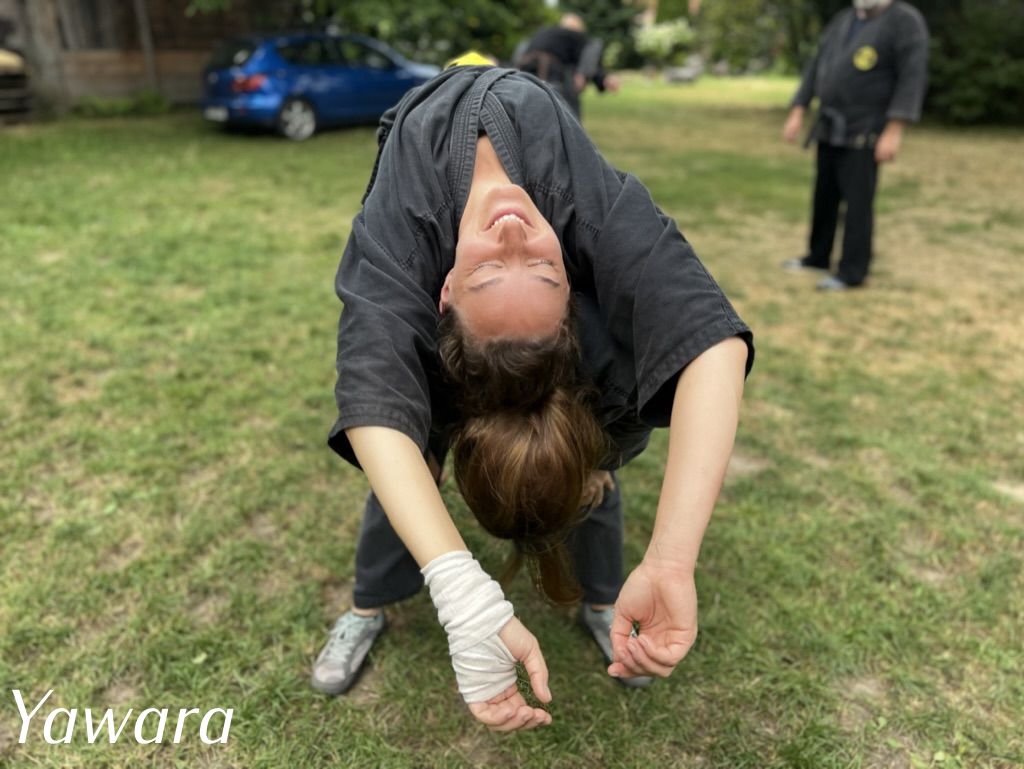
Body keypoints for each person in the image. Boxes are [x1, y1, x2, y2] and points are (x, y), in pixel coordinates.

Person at [313, 61, 754, 732]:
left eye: (549, 269)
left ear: (575, 287)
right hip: (444, 346)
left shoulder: (582, 221)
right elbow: (373, 396)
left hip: (554, 355)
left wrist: (671, 557)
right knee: (402, 463)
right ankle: (367, 605)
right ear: (445, 290)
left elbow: (710, 342)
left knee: (589, 456)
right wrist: (462, 595)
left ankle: (602, 596)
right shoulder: (402, 236)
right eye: (487, 270)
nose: (515, 231)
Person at [782, 0, 929, 291]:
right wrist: (799, 109)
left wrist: (894, 130)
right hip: (829, 127)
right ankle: (818, 256)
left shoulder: (905, 21)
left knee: (857, 203)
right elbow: (817, 66)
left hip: (866, 129)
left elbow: (912, 77)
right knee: (824, 197)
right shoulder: (844, 19)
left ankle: (852, 271)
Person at [514, 13, 619, 119]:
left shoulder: (541, 33)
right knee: (569, 117)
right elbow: (590, 56)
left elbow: (520, 53)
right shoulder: (578, 37)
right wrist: (602, 77)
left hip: (525, 73)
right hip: (555, 78)